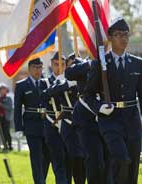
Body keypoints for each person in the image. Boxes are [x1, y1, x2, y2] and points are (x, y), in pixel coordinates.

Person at [84, 17, 142, 184]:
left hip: (132, 119)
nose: (123, 38)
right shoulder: (100, 64)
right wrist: (99, 107)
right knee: (121, 158)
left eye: (126, 34)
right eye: (118, 35)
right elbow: (88, 94)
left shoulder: (137, 64)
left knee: (132, 165)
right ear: (110, 38)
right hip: (110, 120)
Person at [65, 55, 111, 184]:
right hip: (86, 120)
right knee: (95, 160)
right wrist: (90, 64)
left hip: (107, 117)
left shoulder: (113, 60)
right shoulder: (83, 63)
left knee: (109, 161)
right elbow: (69, 73)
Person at [44, 53, 86, 184]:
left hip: (85, 123)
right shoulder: (61, 79)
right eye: (71, 66)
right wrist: (67, 84)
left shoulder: (86, 78)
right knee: (70, 160)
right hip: (68, 124)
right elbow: (49, 92)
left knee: (84, 162)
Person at [14, 58, 51, 184]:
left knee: (47, 157)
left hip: (46, 125)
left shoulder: (46, 83)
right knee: (36, 158)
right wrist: (18, 127)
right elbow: (17, 108)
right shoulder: (21, 85)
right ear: (29, 69)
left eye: (40, 67)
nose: (38, 70)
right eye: (35, 67)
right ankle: (39, 182)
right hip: (31, 126)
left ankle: (42, 180)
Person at [42, 52, 68, 184]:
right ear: (51, 65)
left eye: (62, 64)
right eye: (56, 64)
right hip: (52, 125)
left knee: (71, 162)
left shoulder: (69, 80)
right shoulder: (45, 82)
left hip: (69, 125)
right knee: (58, 162)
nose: (59, 67)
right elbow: (43, 99)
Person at [0, 83, 13, 151]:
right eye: (0, 89)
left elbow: (10, 108)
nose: (1, 91)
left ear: (6, 90)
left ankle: (10, 145)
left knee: (6, 132)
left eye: (2, 89)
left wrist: (1, 105)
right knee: (1, 133)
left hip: (6, 118)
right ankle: (4, 146)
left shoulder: (8, 98)